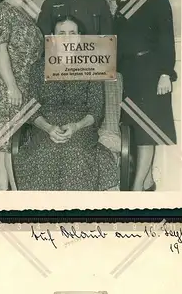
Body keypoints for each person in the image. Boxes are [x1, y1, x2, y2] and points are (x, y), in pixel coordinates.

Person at [12, 15, 119, 191]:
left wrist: (76, 126)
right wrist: (48, 128)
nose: (67, 38)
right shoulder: (38, 68)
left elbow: (95, 110)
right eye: (61, 33)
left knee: (75, 152)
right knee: (46, 151)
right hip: (45, 126)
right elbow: (31, 108)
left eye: (72, 33)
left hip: (81, 127)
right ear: (53, 38)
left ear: (79, 37)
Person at [114, 0, 177, 191]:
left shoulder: (158, 2)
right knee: (134, 128)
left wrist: (165, 73)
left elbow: (166, 41)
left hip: (152, 73)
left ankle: (137, 186)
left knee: (146, 131)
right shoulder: (121, 8)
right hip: (129, 75)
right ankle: (148, 181)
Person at [0, 0, 43, 190]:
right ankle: (16, 198)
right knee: (10, 144)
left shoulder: (24, 14)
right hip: (9, 87)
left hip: (24, 85)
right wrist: (12, 87)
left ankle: (1, 193)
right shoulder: (1, 11)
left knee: (7, 146)